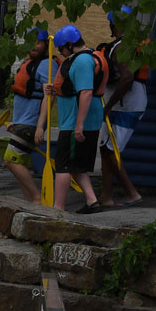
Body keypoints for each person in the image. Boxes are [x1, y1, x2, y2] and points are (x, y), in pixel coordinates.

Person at [45, 26, 107, 214]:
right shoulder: (84, 58)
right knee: (76, 166)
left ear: (70, 45)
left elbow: (86, 92)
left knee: (63, 165)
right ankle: (92, 201)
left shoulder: (81, 61)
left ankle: (58, 209)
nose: (60, 52)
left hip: (75, 123)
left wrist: (79, 125)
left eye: (61, 48)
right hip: (76, 121)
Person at [98, 7, 148, 207]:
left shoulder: (122, 47)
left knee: (110, 150)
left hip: (126, 106)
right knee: (105, 149)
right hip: (122, 104)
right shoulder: (130, 43)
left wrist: (108, 105)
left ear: (114, 24)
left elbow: (127, 78)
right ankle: (106, 196)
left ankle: (131, 193)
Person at [5, 30, 58, 203]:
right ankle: (28, 201)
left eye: (38, 42)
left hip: (31, 123)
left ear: (45, 45)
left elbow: (49, 98)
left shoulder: (47, 65)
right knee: (20, 162)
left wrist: (40, 126)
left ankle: (36, 198)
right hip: (22, 122)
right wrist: (16, 121)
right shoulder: (30, 63)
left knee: (11, 160)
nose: (34, 46)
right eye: (30, 42)